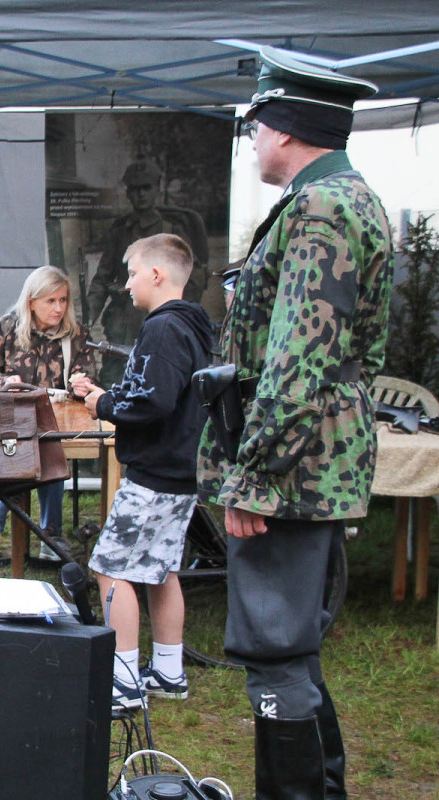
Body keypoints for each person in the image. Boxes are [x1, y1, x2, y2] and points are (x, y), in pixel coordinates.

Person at [197, 47, 390, 800]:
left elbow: (297, 361)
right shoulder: (339, 198)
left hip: (294, 469)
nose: (251, 144)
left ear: (283, 128)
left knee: (275, 653)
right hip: (310, 461)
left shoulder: (323, 207)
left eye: (255, 128)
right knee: (291, 653)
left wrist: (254, 480)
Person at [71, 234, 213, 712]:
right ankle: (169, 672)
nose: (127, 283)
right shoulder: (193, 325)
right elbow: (160, 385)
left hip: (154, 473)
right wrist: (106, 391)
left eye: (132, 273)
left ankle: (125, 683)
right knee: (159, 571)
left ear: (157, 274)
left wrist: (101, 402)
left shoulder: (163, 327)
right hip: (180, 470)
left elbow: (154, 400)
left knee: (110, 570)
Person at [0, 266, 96, 552]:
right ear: (31, 301)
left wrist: (82, 384)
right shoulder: (5, 328)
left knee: (50, 449)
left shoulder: (76, 335)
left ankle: (49, 534)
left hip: (57, 419)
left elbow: (86, 375)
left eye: (63, 300)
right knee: (14, 453)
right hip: (12, 419)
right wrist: (4, 382)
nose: (58, 308)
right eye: (50, 301)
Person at [87, 159, 209, 386]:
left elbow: (191, 280)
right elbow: (102, 278)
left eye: (146, 188)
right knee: (113, 381)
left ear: (157, 189)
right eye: (135, 189)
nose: (141, 194)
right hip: (122, 324)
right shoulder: (120, 230)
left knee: (160, 382)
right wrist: (87, 319)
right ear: (128, 193)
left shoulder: (174, 230)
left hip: (162, 322)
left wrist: (173, 312)